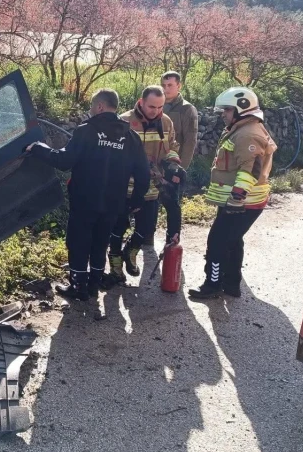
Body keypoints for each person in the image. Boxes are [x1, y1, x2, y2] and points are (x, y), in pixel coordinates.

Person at [25, 88, 150, 301]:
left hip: (85, 200)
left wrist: (37, 148)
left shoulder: (86, 131)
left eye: (92, 106)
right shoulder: (130, 137)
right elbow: (143, 174)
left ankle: (78, 286)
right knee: (100, 242)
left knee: (79, 241)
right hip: (113, 203)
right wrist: (136, 200)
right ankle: (94, 285)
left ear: (99, 106)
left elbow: (64, 161)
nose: (91, 110)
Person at [188, 87, 277, 299]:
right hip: (241, 201)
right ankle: (231, 284)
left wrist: (237, 197)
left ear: (240, 109)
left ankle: (212, 284)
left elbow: (252, 168)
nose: (223, 114)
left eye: (227, 110)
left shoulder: (248, 133)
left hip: (241, 202)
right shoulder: (244, 128)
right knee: (233, 241)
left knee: (218, 242)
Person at [107, 85, 185, 285]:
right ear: (141, 102)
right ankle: (115, 265)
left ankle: (131, 251)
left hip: (151, 187)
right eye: (152, 107)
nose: (156, 111)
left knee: (146, 226)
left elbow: (172, 147)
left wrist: (173, 164)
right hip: (123, 188)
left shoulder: (166, 122)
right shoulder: (123, 122)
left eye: (160, 107)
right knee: (117, 227)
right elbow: (112, 156)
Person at [138, 71, 199, 246]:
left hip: (172, 164)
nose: (166, 89)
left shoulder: (187, 109)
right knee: (151, 201)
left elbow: (190, 141)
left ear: (179, 86)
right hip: (153, 165)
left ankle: (171, 242)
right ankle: (147, 238)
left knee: (172, 204)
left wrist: (180, 169)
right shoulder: (157, 105)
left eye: (170, 85)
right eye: (163, 85)